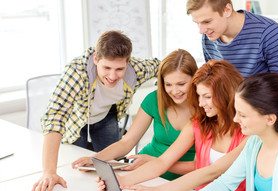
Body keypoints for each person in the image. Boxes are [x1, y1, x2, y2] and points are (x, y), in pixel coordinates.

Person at [98, 60, 248, 191]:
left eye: (207, 97)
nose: (201, 103)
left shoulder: (249, 133)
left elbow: (212, 172)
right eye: (199, 96)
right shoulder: (199, 124)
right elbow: (163, 162)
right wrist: (121, 180)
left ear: (227, 94)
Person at [32, 30, 160, 191]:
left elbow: (163, 66)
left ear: (128, 63)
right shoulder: (77, 73)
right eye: (106, 67)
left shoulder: (137, 69)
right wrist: (49, 172)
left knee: (109, 171)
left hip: (106, 117)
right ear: (95, 59)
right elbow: (55, 116)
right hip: (77, 121)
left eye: (119, 69)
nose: (112, 76)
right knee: (77, 171)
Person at [72, 49, 197, 181]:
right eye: (168, 84)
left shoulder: (207, 108)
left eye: (181, 84)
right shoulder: (154, 99)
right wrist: (95, 159)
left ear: (195, 79)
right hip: (144, 168)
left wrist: (153, 161)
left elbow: (199, 166)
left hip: (183, 177)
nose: (175, 91)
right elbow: (127, 142)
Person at [186, 0, 278, 86]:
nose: (201, 31)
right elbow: (213, 83)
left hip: (261, 110)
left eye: (207, 21)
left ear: (227, 10)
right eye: (197, 23)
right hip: (228, 110)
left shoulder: (268, 32)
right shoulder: (208, 37)